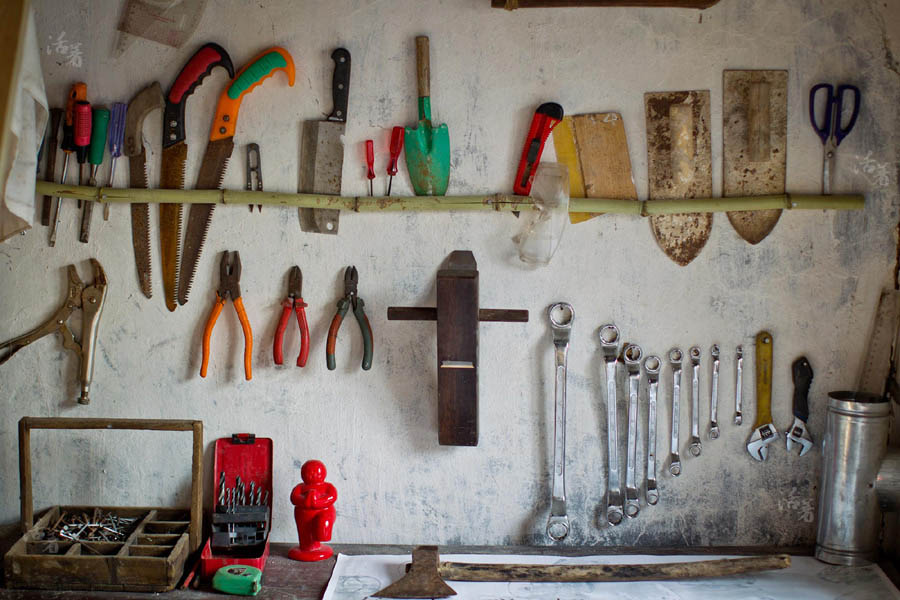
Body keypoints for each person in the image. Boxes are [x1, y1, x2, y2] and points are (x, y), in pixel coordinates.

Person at [288, 459, 337, 561]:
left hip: (323, 512)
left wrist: (317, 502)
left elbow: (332, 496)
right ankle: (307, 548)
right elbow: (294, 497)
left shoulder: (327, 486)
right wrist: (305, 500)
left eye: (316, 473)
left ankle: (321, 537)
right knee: (305, 535)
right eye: (309, 473)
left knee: (321, 526)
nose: (313, 475)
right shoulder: (301, 487)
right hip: (302, 515)